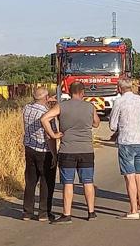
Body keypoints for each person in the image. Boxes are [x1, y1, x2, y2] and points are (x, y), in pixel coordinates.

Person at [41, 82, 100, 225]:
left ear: (69, 91)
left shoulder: (62, 106)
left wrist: (53, 135)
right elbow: (96, 123)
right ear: (82, 92)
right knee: (88, 182)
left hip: (67, 150)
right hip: (86, 150)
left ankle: (67, 214)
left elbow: (44, 118)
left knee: (68, 183)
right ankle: (91, 212)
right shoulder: (89, 106)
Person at [109, 78, 140, 220]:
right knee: (139, 174)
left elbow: (112, 125)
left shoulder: (119, 102)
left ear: (119, 88)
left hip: (126, 141)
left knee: (129, 176)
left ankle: (133, 210)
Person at [22, 87, 57, 222]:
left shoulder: (27, 108)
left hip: (29, 148)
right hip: (44, 150)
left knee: (30, 181)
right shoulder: (47, 114)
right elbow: (50, 136)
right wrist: (54, 154)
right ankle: (43, 213)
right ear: (46, 98)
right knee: (46, 181)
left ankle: (27, 212)